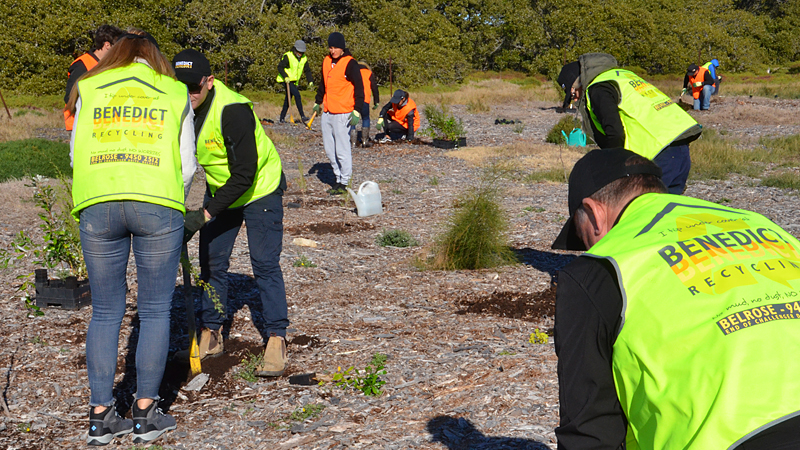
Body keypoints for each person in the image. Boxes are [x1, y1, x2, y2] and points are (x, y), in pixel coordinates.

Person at [551, 148, 800, 450]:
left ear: (593, 213)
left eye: (582, 237)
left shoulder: (601, 268)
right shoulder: (761, 224)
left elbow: (590, 434)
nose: (587, 249)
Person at [66, 28, 196, 446]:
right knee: (156, 310)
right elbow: (187, 163)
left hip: (97, 202)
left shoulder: (90, 85)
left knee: (104, 311)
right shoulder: (174, 92)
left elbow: (74, 153)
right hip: (156, 201)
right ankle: (144, 413)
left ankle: (100, 416)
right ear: (154, 55)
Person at [172, 49, 290, 377]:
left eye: (194, 87)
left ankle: (277, 337)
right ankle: (210, 334)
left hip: (259, 187)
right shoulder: (177, 108)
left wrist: (204, 214)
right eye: (181, 86)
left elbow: (245, 174)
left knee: (264, 264)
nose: (188, 93)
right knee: (212, 262)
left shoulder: (233, 109)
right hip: (223, 189)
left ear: (209, 81)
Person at [561, 53, 701, 195]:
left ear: (578, 83)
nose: (575, 100)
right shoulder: (621, 75)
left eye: (573, 95)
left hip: (658, 152)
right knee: (666, 210)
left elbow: (614, 131)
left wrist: (616, 167)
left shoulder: (598, 88)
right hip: (679, 143)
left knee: (645, 210)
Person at [313, 32, 364, 195]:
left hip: (343, 112)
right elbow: (323, 83)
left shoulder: (350, 64)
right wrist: (317, 101)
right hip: (328, 111)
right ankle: (337, 178)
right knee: (329, 149)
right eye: (330, 47)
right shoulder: (327, 61)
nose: (332, 50)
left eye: (335, 47)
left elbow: (360, 87)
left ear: (342, 48)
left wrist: (357, 109)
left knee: (342, 149)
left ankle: (345, 181)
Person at [63, 24, 123, 130]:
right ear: (107, 45)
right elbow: (70, 97)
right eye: (118, 46)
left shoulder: (109, 65)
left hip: (99, 122)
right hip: (80, 124)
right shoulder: (82, 65)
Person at [276, 40, 313, 124]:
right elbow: (280, 67)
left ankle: (282, 118)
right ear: (295, 50)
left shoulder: (304, 58)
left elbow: (307, 71)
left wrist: (310, 81)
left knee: (288, 100)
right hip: (286, 80)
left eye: (302, 52)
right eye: (299, 52)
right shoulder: (288, 56)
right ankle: (302, 116)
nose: (300, 54)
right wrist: (285, 77)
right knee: (297, 95)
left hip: (294, 81)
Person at [351, 61, 380, 147]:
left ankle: (352, 142)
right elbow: (374, 87)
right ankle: (365, 141)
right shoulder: (368, 73)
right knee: (366, 118)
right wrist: (376, 101)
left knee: (353, 121)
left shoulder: (352, 72)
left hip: (353, 100)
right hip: (365, 99)